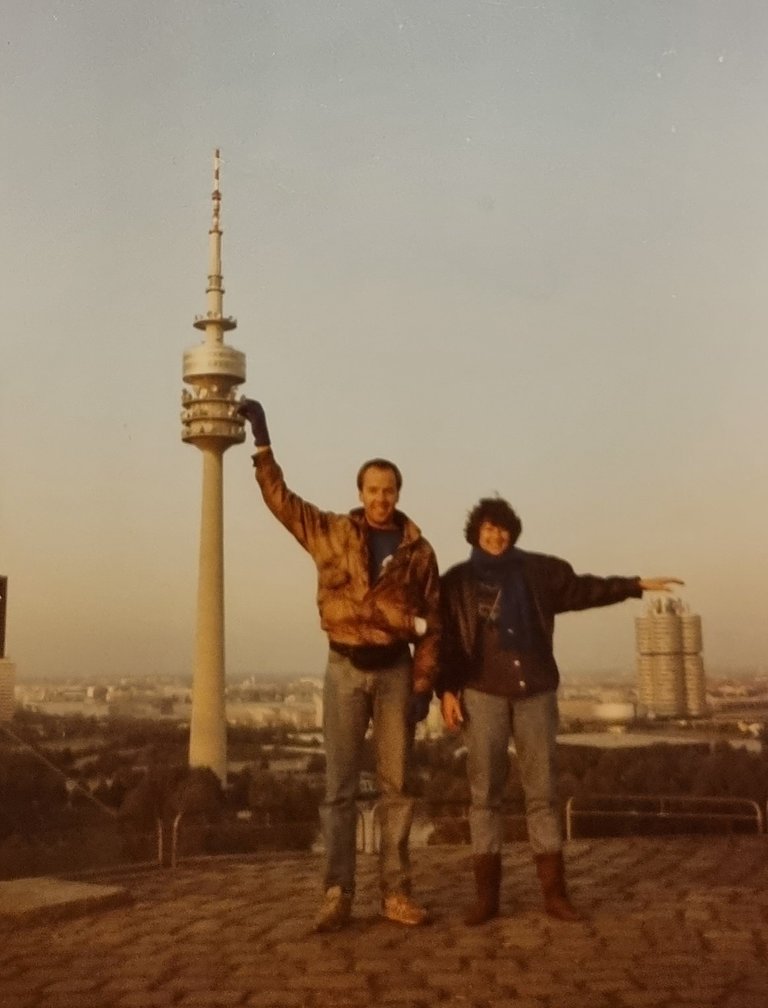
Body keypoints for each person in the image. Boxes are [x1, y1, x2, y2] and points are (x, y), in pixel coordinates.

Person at [238, 399, 440, 931]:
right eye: (372, 489)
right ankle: (337, 892)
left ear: (398, 495)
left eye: (389, 490)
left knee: (398, 788)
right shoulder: (332, 533)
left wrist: (424, 684)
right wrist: (262, 441)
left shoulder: (419, 553)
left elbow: (434, 624)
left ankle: (396, 892)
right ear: (360, 494)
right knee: (339, 788)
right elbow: (282, 501)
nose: (380, 498)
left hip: (396, 673)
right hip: (343, 671)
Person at [437, 496, 683, 926]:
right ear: (475, 532)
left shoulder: (538, 572)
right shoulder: (456, 582)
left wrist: (633, 585)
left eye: (503, 528)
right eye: (488, 528)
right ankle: (486, 899)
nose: (496, 536)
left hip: (535, 692)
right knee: (485, 797)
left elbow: (584, 589)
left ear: (513, 532)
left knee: (542, 794)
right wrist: (446, 691)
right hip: (482, 693)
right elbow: (444, 641)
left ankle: (555, 895)